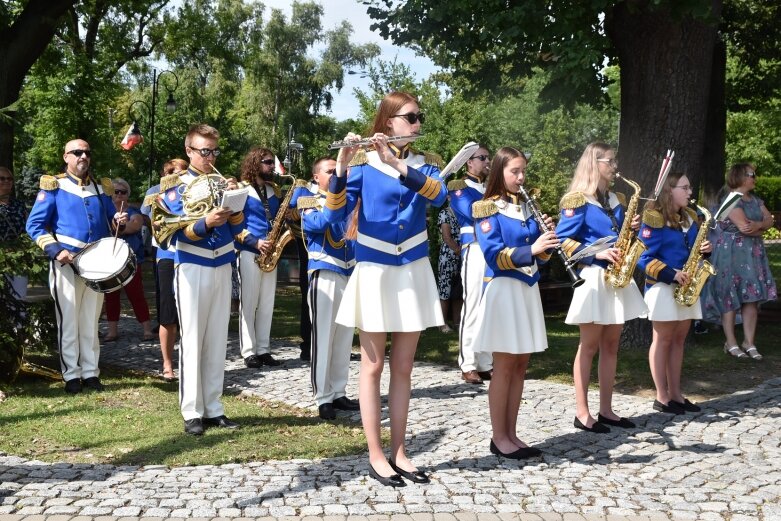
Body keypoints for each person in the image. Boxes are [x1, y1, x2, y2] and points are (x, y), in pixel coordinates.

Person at [325, 91, 446, 487]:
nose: (417, 124)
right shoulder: (363, 164)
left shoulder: (424, 165)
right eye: (410, 117)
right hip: (375, 268)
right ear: (388, 122)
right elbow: (334, 212)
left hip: (411, 267)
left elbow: (439, 196)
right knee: (374, 366)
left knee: (405, 367)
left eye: (419, 117)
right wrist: (342, 167)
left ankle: (400, 452)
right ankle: (376, 454)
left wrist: (397, 163)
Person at [157, 124, 254, 435]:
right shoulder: (175, 187)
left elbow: (239, 223)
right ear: (189, 151)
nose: (210, 157)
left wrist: (235, 198)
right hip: (192, 265)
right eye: (204, 151)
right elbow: (172, 230)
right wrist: (205, 223)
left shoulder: (221, 180)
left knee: (216, 340)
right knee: (193, 338)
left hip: (223, 263)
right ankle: (192, 412)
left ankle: (214, 407)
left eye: (214, 151)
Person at [555, 142, 647, 433]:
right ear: (595, 163)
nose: (615, 166)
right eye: (610, 161)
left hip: (616, 278)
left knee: (611, 346)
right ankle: (582, 413)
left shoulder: (616, 198)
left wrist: (629, 230)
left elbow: (619, 238)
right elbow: (563, 242)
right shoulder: (576, 200)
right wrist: (596, 254)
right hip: (594, 278)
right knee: (590, 346)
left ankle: (606, 409)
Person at [472, 146, 557, 458]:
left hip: (526, 290)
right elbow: (494, 255)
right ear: (499, 172)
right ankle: (499, 437)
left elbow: (541, 256)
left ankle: (512, 433)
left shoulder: (525, 206)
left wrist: (549, 239)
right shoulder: (486, 208)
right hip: (505, 290)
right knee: (505, 366)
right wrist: (533, 249)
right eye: (514, 172)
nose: (521, 178)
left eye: (523, 171)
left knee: (521, 365)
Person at [26, 139, 128, 394]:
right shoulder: (54, 187)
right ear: (66, 157)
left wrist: (119, 221)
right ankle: (71, 375)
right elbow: (34, 226)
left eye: (87, 153)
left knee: (90, 320)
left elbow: (111, 224)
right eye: (77, 152)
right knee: (69, 321)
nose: (83, 156)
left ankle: (91, 373)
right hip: (66, 263)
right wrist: (55, 250)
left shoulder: (99, 187)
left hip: (96, 264)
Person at [637, 172, 712, 414]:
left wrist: (704, 251)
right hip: (662, 287)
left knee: (679, 340)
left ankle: (677, 394)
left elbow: (692, 251)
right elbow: (642, 257)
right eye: (685, 187)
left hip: (686, 286)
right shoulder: (654, 218)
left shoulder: (690, 217)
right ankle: (661, 396)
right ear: (670, 190)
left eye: (690, 187)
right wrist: (670, 273)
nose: (690, 192)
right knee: (663, 340)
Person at [297, 157, 359, 420]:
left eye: (339, 170)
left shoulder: (351, 198)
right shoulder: (307, 200)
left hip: (349, 269)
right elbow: (320, 224)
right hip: (325, 270)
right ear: (315, 177)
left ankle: (338, 391)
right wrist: (339, 197)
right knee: (323, 337)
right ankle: (322, 397)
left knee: (344, 337)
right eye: (330, 171)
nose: (336, 174)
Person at [701, 163, 777, 360]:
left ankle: (749, 343)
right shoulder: (731, 200)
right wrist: (761, 228)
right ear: (740, 177)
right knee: (730, 296)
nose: (755, 177)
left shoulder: (756, 200)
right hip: (732, 255)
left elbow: (771, 220)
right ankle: (731, 342)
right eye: (752, 174)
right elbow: (744, 228)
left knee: (751, 297)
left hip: (752, 255)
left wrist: (759, 224)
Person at [236, 147, 300, 368]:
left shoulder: (275, 191)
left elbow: (281, 218)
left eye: (272, 162)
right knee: (249, 302)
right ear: (255, 163)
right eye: (267, 162)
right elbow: (233, 224)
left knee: (266, 304)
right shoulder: (241, 190)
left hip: (271, 252)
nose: (272, 166)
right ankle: (248, 351)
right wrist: (255, 241)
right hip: (249, 250)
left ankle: (263, 349)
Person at [448, 145, 493, 384]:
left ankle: (485, 362)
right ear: (469, 163)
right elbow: (470, 212)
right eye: (483, 158)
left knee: (489, 306)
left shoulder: (490, 188)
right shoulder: (460, 187)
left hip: (493, 249)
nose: (488, 161)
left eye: (489, 157)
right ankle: (467, 363)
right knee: (473, 305)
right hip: (474, 247)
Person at [141, 158, 187, 381]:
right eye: (177, 171)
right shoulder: (156, 192)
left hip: (191, 255)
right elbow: (153, 222)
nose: (181, 175)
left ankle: (190, 361)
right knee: (167, 312)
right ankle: (167, 364)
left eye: (184, 171)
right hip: (167, 255)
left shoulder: (192, 190)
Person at [103, 178, 154, 343]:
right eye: (115, 191)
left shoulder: (134, 212)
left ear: (127, 194)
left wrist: (120, 225)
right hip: (109, 260)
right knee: (110, 296)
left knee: (136, 295)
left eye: (122, 192)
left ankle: (146, 329)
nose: (119, 195)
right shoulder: (105, 212)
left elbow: (134, 226)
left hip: (131, 261)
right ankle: (112, 331)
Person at [0, 166, 29, 299]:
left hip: (19, 260)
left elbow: (28, 229)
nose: (6, 181)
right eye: (2, 178)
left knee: (18, 298)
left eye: (9, 179)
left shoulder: (19, 205)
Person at [436, 199, 462, 333]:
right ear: (449, 199)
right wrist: (458, 250)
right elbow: (447, 237)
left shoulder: (462, 213)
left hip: (461, 256)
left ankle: (457, 323)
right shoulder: (444, 213)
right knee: (445, 291)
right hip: (448, 257)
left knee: (458, 291)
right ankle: (442, 324)